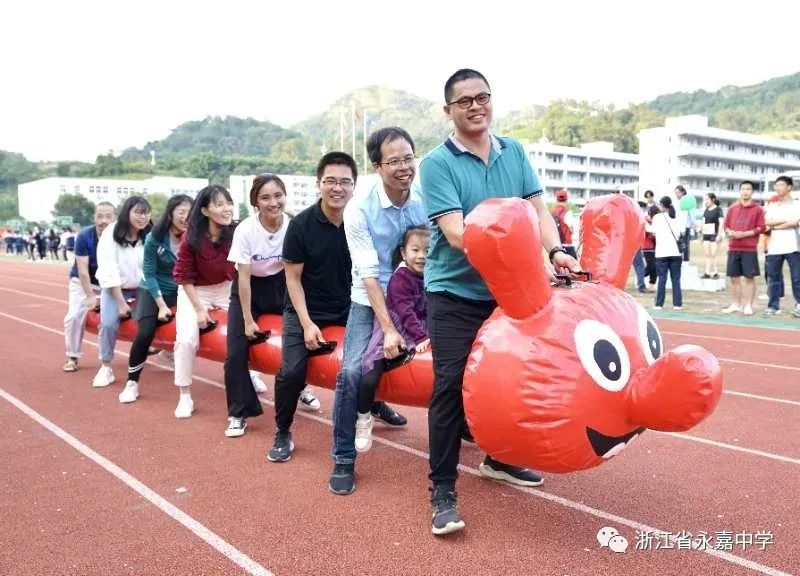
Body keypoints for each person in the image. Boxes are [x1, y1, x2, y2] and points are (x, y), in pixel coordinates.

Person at [419, 69, 581, 536]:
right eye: (464, 100)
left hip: (507, 294)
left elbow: (537, 211)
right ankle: (443, 490)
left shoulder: (516, 151)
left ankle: (500, 459)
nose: (476, 106)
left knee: (512, 381)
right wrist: (522, 255)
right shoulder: (437, 164)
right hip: (454, 293)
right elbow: (455, 232)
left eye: (483, 97)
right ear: (448, 110)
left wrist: (554, 252)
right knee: (450, 385)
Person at [327, 127, 424, 495]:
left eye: (408, 158)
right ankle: (343, 457)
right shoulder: (359, 208)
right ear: (377, 166)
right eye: (394, 160)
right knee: (351, 371)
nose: (404, 167)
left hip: (416, 291)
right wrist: (390, 329)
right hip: (370, 297)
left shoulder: (425, 198)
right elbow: (368, 274)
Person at [267, 152, 358, 463]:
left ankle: (374, 405)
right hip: (305, 308)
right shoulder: (301, 225)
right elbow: (292, 279)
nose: (338, 188)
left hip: (348, 306)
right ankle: (282, 430)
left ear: (353, 185)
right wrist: (306, 323)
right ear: (319, 184)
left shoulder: (360, 221)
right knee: (292, 371)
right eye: (330, 181)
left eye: (345, 181)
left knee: (371, 359)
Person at [223, 174, 314, 438]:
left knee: (298, 338)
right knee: (236, 352)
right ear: (255, 203)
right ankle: (238, 413)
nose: (273, 202)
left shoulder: (294, 226)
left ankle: (302, 388)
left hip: (282, 285)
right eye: (265, 197)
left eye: (278, 195)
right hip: (248, 288)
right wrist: (249, 319)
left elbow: (298, 272)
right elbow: (243, 277)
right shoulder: (246, 230)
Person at [355, 225, 430, 453]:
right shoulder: (400, 279)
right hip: (396, 331)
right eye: (415, 250)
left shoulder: (431, 276)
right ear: (404, 252)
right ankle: (364, 417)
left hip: (420, 328)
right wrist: (420, 337)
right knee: (370, 376)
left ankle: (460, 423)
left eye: (427, 250)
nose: (422, 256)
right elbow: (406, 312)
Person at [118, 194, 193, 404]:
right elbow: (149, 274)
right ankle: (132, 382)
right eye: (181, 212)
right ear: (170, 214)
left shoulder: (195, 237)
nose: (186, 217)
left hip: (182, 291)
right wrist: (161, 305)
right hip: (152, 290)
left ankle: (251, 374)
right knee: (145, 332)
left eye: (190, 212)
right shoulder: (155, 237)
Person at [172, 185, 236, 419]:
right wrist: (199, 310)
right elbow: (183, 276)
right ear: (206, 210)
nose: (226, 208)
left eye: (228, 203)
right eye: (219, 204)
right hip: (195, 290)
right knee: (186, 339)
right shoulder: (191, 238)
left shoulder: (236, 231)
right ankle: (184, 394)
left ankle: (250, 374)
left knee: (242, 334)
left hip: (226, 288)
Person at [92, 196, 152, 388]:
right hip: (115, 288)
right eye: (137, 212)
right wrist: (120, 303)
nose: (142, 217)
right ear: (127, 213)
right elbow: (109, 270)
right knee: (108, 324)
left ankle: (166, 353)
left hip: (143, 287)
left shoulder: (150, 234)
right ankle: (106, 366)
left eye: (145, 213)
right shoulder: (112, 233)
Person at [63, 202, 115, 372]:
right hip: (83, 282)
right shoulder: (85, 236)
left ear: (114, 218)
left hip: (109, 282)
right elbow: (83, 271)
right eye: (100, 216)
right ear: (94, 217)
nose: (103, 221)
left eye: (108, 216)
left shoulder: (119, 236)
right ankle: (72, 356)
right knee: (74, 316)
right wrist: (90, 295)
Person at [722, 181, 766, 316]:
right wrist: (730, 232)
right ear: (740, 191)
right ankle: (735, 304)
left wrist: (745, 234)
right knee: (734, 278)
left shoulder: (758, 209)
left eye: (748, 189)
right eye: (743, 189)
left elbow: (761, 228)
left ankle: (748, 305)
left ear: (752, 192)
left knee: (749, 278)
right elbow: (726, 226)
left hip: (749, 249)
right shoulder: (732, 208)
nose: (745, 191)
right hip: (733, 247)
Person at [763, 175, 800, 317]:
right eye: (776, 185)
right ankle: (773, 306)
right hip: (775, 247)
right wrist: (786, 221)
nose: (778, 188)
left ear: (789, 187)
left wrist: (777, 226)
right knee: (773, 278)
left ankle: (799, 305)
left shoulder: (797, 204)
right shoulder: (773, 206)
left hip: (794, 246)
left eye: (781, 185)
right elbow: (768, 222)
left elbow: (795, 222)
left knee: (797, 278)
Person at [647, 197, 684, 310]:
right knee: (676, 279)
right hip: (675, 253)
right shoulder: (677, 216)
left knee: (662, 279)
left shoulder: (657, 217)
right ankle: (677, 304)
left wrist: (645, 222)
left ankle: (659, 304)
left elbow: (652, 231)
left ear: (662, 205)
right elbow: (682, 232)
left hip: (662, 253)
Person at [699, 193, 724, 279]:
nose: (705, 201)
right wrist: (701, 235)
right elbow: (703, 222)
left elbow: (721, 223)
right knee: (707, 254)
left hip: (715, 235)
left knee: (714, 254)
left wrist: (719, 235)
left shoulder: (718, 209)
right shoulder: (706, 210)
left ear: (713, 200)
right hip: (706, 235)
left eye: (707, 199)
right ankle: (707, 272)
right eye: (704, 200)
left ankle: (716, 272)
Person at [550, 189, 577, 259]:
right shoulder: (567, 213)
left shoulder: (552, 213)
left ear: (557, 199)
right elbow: (571, 230)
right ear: (566, 199)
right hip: (567, 245)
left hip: (556, 246)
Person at [675, 185, 696, 262]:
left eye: (677, 192)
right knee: (679, 244)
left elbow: (691, 214)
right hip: (678, 226)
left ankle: (685, 260)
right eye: (675, 193)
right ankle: (680, 259)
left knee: (685, 245)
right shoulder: (678, 202)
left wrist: (693, 224)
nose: (676, 194)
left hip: (685, 226)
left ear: (682, 192)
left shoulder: (687, 200)